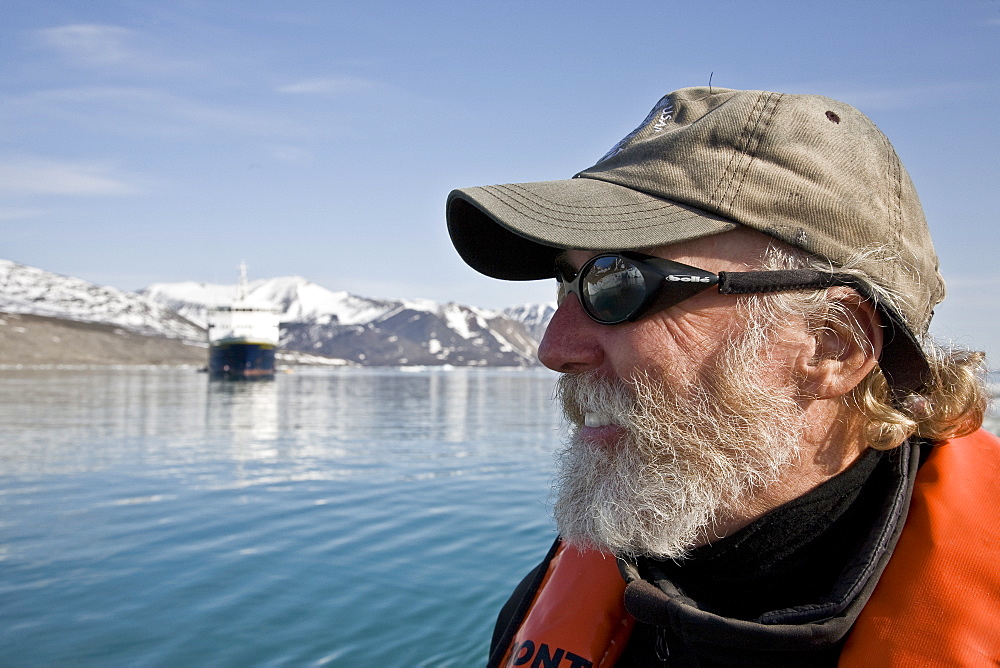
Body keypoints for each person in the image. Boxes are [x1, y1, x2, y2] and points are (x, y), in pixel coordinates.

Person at [445, 87, 999, 667]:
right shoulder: (570, 588)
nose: (554, 349)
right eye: (565, 284)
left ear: (831, 346)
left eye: (617, 284)